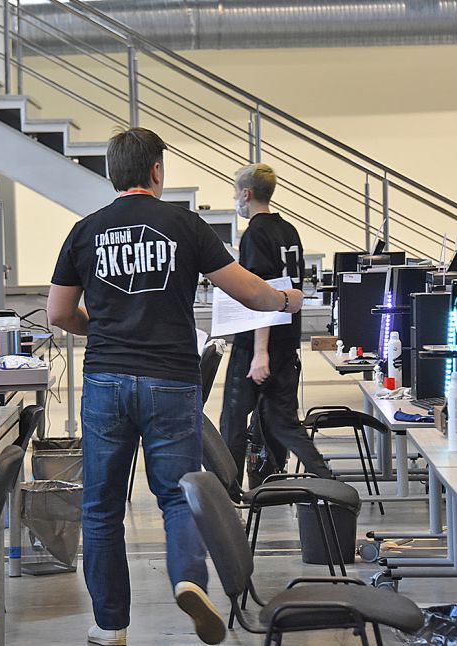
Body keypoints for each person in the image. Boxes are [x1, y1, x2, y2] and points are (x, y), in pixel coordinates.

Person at [47, 128, 304, 646]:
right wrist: (286, 300)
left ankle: (110, 626)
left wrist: (101, 328)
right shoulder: (186, 225)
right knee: (177, 495)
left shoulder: (85, 230)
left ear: (112, 174)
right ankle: (188, 579)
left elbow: (58, 313)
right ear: (157, 171)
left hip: (106, 380)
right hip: (171, 380)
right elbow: (249, 292)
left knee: (101, 507)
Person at [219, 163, 334, 487]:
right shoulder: (288, 230)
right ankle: (327, 481)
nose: (235, 199)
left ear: (246, 194)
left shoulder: (255, 234)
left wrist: (259, 352)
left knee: (233, 421)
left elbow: (263, 294)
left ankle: (227, 492)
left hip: (259, 346)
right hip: (286, 340)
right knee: (283, 422)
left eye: (235, 192)